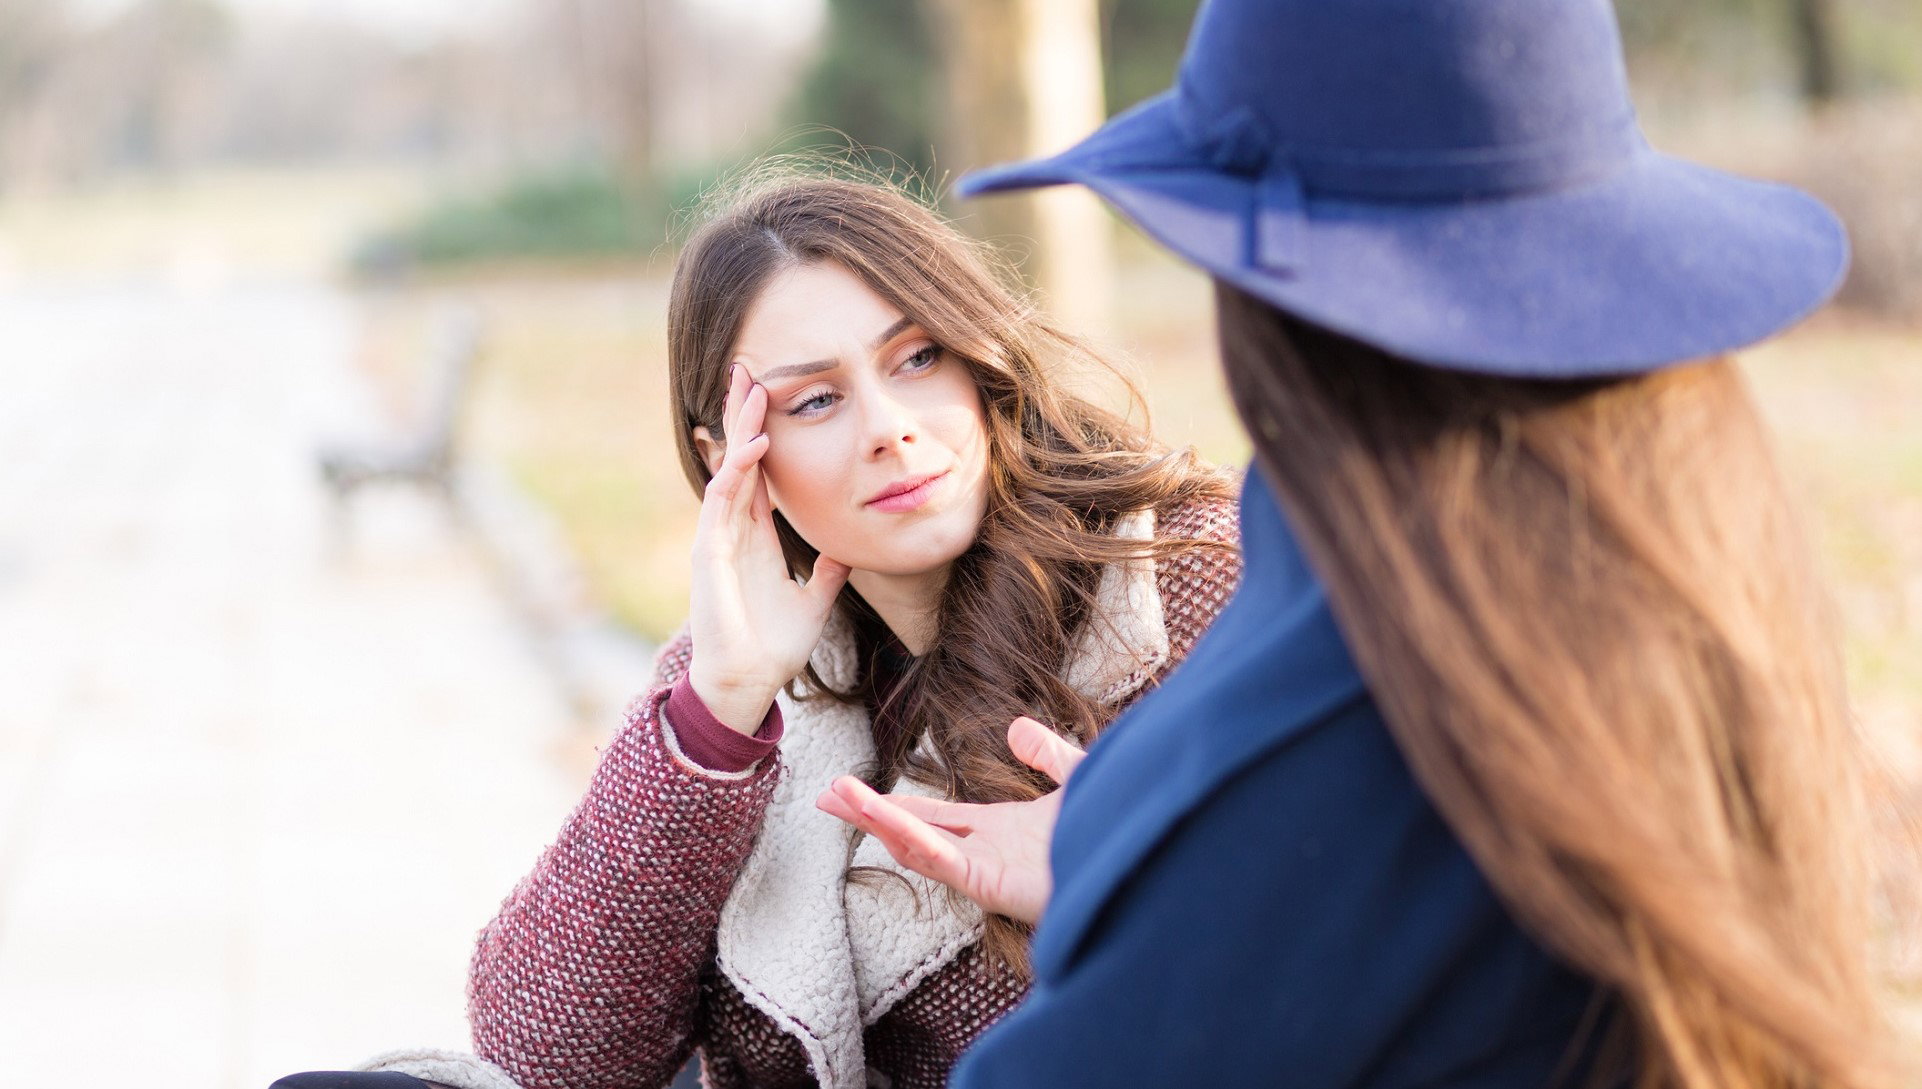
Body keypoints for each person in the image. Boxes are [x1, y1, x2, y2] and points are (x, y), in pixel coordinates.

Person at [819, 2, 1917, 1087]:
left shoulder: (1340, 721)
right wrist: (1123, 835)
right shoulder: (1676, 572)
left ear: (1269, 312)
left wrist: (1172, 878)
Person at [273, 173, 1242, 1089]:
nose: (889, 427)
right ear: (731, 458)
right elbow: (543, 1055)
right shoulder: (757, 670)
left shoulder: (1194, 583)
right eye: (815, 400)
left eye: (917, 358)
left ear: (979, 358)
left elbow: (1348, 975)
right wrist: (716, 712)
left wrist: (1121, 889)